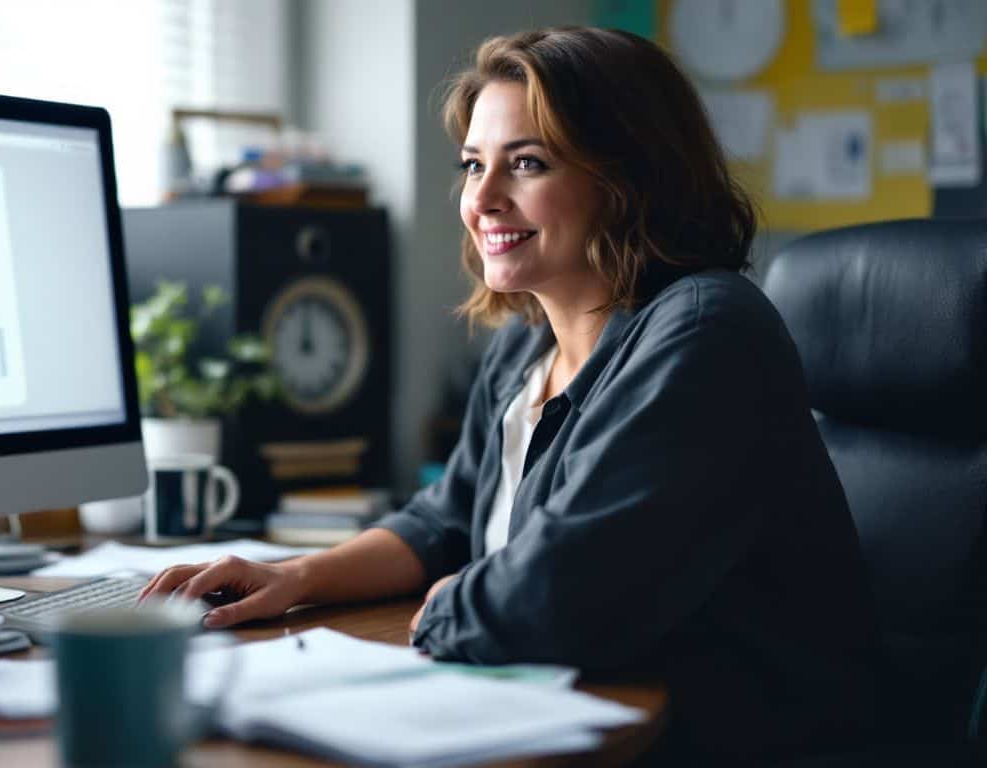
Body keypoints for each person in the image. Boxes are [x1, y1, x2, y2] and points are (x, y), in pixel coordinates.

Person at [140, 27, 880, 764]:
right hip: (563, 712)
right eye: (473, 164)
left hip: (720, 742)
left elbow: (562, 600)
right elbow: (444, 520)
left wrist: (454, 601)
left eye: (526, 163)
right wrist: (296, 576)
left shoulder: (705, 334)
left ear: (630, 179)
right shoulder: (524, 347)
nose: (482, 198)